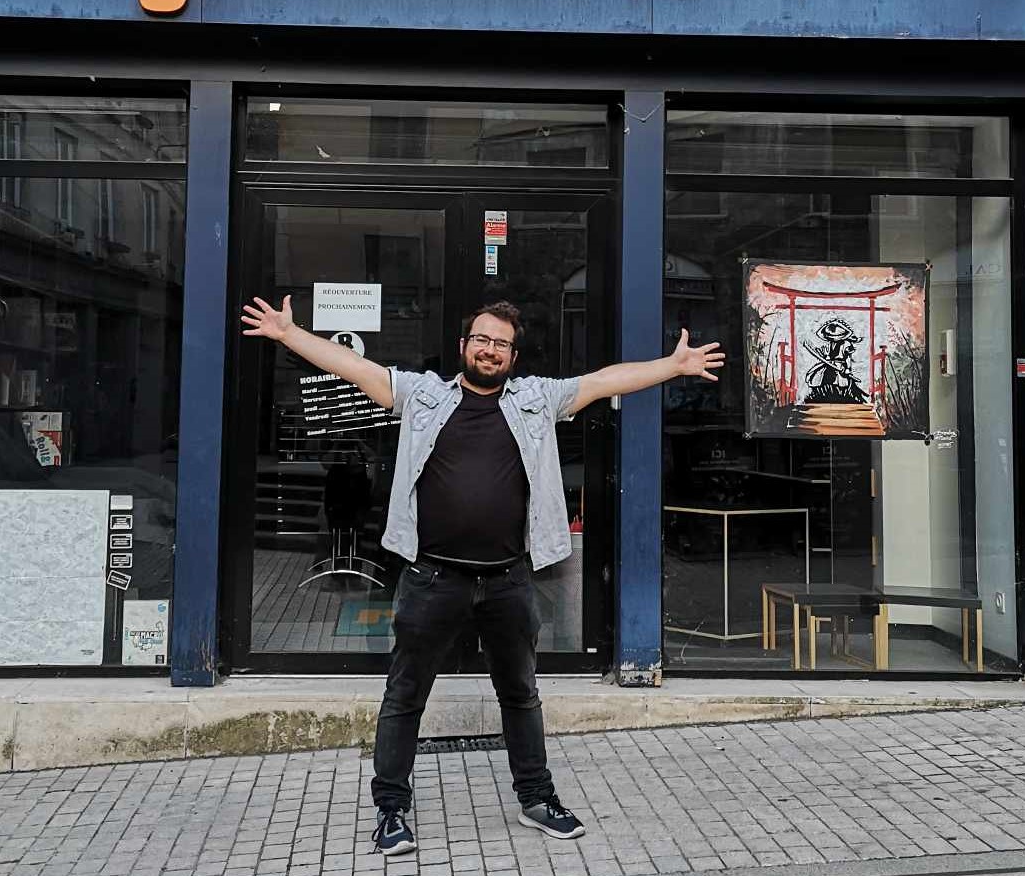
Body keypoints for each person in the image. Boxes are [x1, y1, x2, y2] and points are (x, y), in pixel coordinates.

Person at [241, 296, 725, 856]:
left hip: (506, 581)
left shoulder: (536, 400)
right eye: (481, 339)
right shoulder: (423, 396)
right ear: (464, 346)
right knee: (405, 695)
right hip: (432, 578)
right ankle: (391, 809)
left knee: (520, 694)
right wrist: (289, 335)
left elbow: (602, 380)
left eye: (501, 343)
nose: (489, 350)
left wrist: (673, 365)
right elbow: (354, 367)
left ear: (512, 356)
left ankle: (537, 798)